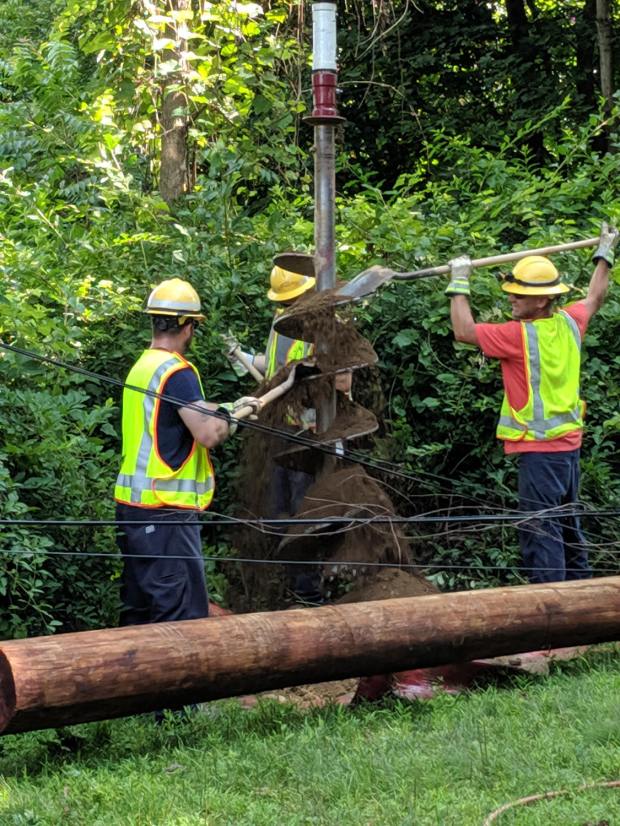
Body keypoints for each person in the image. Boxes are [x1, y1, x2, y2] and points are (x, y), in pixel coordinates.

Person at [446, 222, 619, 583]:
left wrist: (458, 282)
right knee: (567, 527)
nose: (511, 299)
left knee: (541, 532)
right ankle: (583, 611)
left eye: (519, 295)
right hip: (568, 448)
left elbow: (463, 331)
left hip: (542, 452)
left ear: (542, 299)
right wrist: (605, 254)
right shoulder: (570, 322)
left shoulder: (517, 336)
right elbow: (595, 297)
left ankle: (552, 623)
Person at [114, 277, 261, 626]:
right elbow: (208, 433)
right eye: (194, 324)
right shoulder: (177, 371)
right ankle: (173, 681)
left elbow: (176, 417)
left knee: (140, 611)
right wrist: (230, 419)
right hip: (165, 514)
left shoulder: (144, 366)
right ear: (187, 325)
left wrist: (228, 406)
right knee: (179, 616)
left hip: (133, 511)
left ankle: (137, 680)